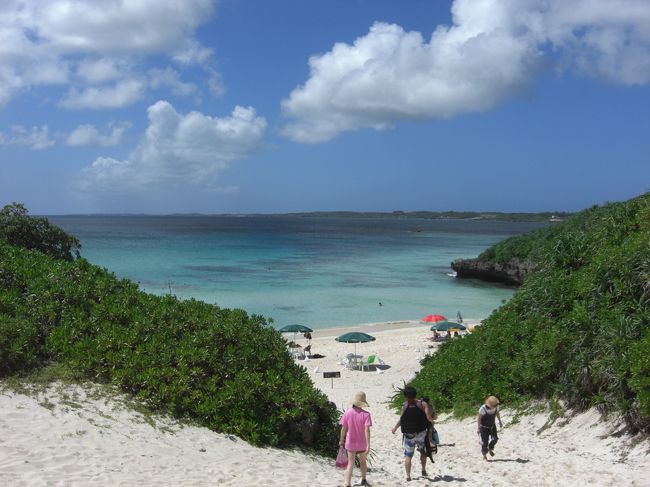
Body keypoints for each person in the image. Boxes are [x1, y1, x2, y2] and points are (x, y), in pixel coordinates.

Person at [391, 386, 436, 481]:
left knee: (408, 455)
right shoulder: (422, 404)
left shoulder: (405, 405)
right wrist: (433, 422)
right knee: (423, 452)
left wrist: (395, 428)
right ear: (416, 394)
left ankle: (408, 476)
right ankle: (423, 470)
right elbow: (428, 417)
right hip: (421, 433)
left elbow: (401, 419)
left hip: (409, 434)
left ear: (405, 396)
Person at [340, 391, 373, 487]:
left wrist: (341, 440)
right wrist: (368, 444)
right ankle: (363, 479)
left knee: (350, 463)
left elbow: (344, 428)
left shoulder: (347, 413)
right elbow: (367, 430)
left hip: (351, 442)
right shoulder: (366, 414)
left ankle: (347, 483)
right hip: (362, 442)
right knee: (363, 461)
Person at [477, 396, 502, 460]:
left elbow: (497, 414)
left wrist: (500, 421)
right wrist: (478, 428)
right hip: (484, 428)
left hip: (492, 426)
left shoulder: (496, 407)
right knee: (484, 443)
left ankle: (490, 448)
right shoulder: (483, 408)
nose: (496, 405)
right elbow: (479, 418)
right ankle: (484, 455)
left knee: (495, 439)